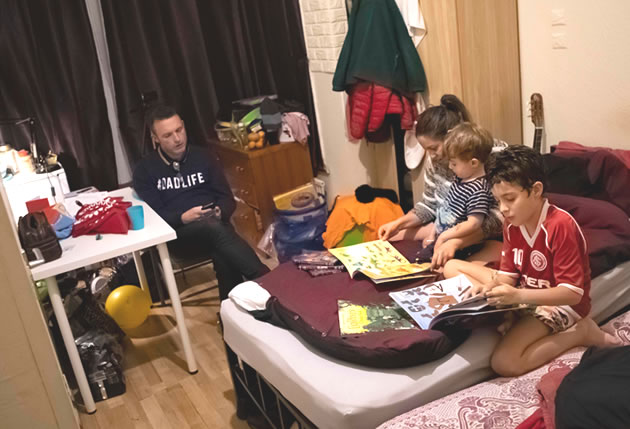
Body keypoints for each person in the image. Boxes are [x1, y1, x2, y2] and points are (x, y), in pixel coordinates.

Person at [443, 145, 621, 377]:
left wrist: (518, 296)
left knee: (505, 363)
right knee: (451, 267)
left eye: (510, 199)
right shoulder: (512, 224)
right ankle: (505, 310)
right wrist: (492, 287)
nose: (503, 209)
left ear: (536, 190)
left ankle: (581, 332)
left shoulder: (561, 226)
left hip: (559, 303)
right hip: (525, 291)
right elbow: (508, 276)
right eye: (498, 201)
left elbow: (572, 294)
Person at [133, 104, 269, 302]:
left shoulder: (204, 157)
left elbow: (226, 199)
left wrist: (219, 211)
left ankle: (229, 310)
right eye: (168, 135)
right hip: (179, 236)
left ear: (184, 125)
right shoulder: (145, 170)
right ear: (155, 139)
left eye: (179, 130)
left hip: (215, 228)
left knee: (221, 249)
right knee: (218, 233)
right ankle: (267, 281)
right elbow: (155, 217)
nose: (177, 139)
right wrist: (183, 217)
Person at [378, 94, 505, 268]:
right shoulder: (434, 162)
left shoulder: (493, 155)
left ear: (453, 137)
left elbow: (501, 215)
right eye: (426, 149)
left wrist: (456, 241)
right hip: (448, 225)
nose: (431, 155)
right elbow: (429, 205)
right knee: (390, 237)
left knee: (449, 268)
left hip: (481, 234)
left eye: (434, 148)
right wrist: (398, 223)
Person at [416, 122, 495, 262]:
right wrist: (433, 234)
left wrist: (444, 237)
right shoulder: (459, 179)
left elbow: (473, 223)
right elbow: (444, 208)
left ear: (473, 163)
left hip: (459, 244)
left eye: (454, 163)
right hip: (442, 236)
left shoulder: (478, 190)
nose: (450, 167)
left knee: (433, 266)